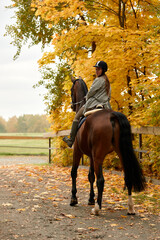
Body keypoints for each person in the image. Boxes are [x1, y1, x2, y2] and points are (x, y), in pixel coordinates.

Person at [63, 61, 111, 148]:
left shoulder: (98, 80)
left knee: (77, 117)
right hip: (106, 106)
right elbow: (109, 96)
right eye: (96, 69)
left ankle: (71, 140)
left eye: (98, 69)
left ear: (103, 70)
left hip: (94, 104)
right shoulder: (107, 81)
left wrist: (86, 97)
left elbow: (90, 93)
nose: (96, 71)